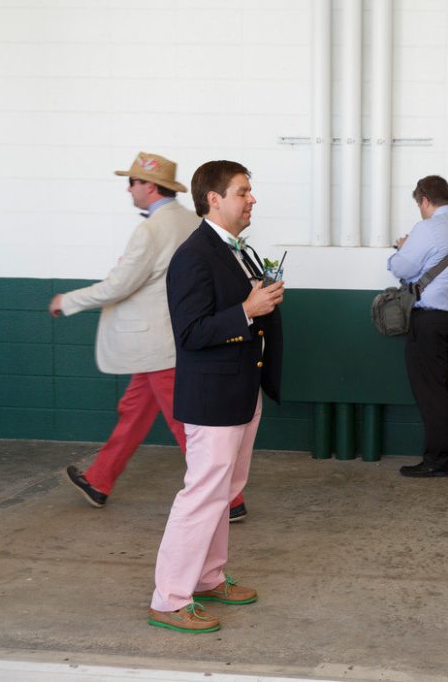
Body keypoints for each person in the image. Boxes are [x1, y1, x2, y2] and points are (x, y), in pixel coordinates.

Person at [49, 152, 249, 522]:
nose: (129, 189)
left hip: (161, 345)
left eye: (133, 182)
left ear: (150, 186)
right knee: (134, 412)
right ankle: (99, 481)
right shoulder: (193, 222)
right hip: (165, 346)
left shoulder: (151, 230)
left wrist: (68, 301)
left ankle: (230, 500)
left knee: (186, 425)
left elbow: (119, 285)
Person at [147, 160, 284, 634]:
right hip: (214, 396)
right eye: (242, 191)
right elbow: (189, 332)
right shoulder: (194, 255)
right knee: (203, 494)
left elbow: (238, 310)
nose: (251, 199)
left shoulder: (237, 251)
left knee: (224, 491)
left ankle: (208, 577)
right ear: (214, 199)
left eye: (250, 191)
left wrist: (260, 301)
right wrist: (248, 308)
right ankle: (169, 599)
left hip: (241, 390)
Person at [387, 175, 448, 478]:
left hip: (429, 321)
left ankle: (438, 461)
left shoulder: (426, 229)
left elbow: (402, 267)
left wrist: (402, 248)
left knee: (431, 392)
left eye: (420, 205)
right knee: (446, 388)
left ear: (425, 200)